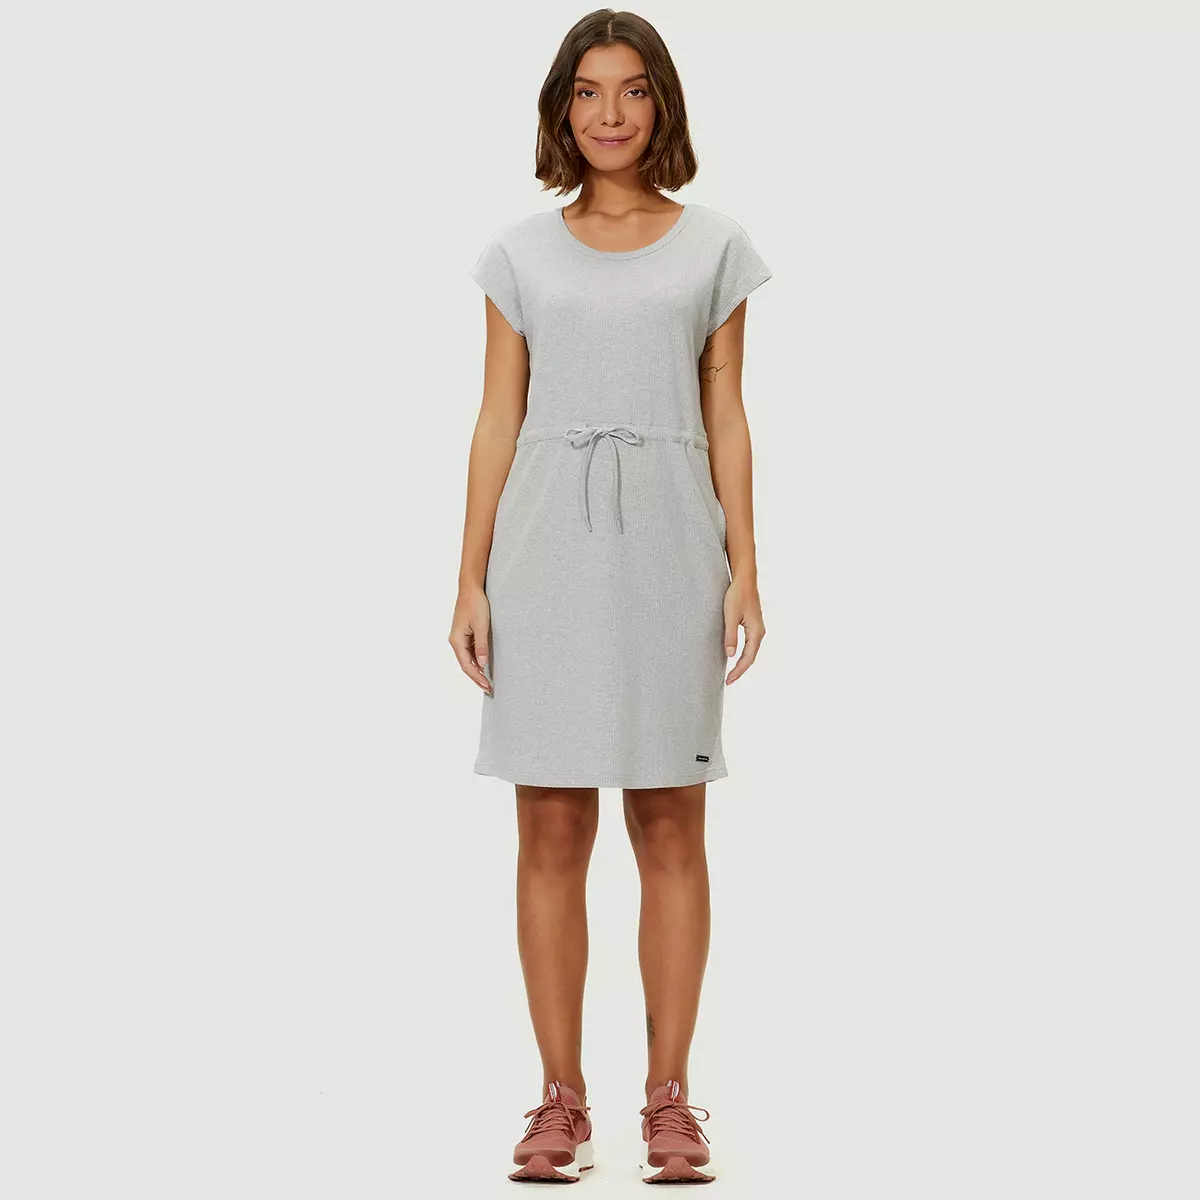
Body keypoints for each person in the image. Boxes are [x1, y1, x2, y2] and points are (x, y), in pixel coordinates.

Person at [449, 9, 771, 1185]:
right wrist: (470, 574)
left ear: (662, 104)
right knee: (550, 825)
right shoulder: (520, 256)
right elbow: (498, 417)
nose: (610, 114)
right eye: (587, 92)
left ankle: (670, 1102)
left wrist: (746, 564)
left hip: (672, 552)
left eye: (633, 91)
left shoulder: (715, 248)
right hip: (545, 555)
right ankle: (559, 1100)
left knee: (671, 820)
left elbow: (726, 411)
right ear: (561, 109)